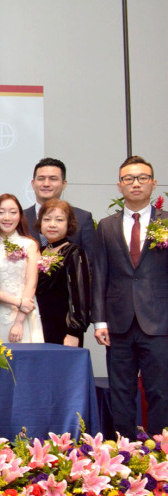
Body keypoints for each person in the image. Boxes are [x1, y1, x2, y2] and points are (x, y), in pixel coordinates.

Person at [94, 155, 168, 436]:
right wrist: (100, 321)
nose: (136, 183)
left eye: (142, 178)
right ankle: (124, 450)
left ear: (153, 183)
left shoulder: (166, 222)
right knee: (121, 391)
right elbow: (99, 274)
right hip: (118, 322)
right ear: (119, 185)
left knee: (160, 390)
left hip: (160, 321)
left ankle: (161, 450)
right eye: (129, 179)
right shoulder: (107, 226)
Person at [0, 194, 44, 343]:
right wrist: (17, 301)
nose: (7, 218)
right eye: (1, 212)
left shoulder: (30, 244)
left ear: (20, 215)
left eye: (13, 212)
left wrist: (19, 321)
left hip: (24, 313)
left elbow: (31, 283)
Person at [34, 199, 91, 347]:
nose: (52, 224)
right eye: (47, 219)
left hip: (64, 331)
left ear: (68, 224)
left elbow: (81, 295)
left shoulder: (74, 252)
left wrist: (74, 332)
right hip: (40, 327)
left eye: (59, 220)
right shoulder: (40, 251)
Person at [24, 157, 95, 259]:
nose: (46, 184)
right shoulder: (20, 218)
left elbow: (90, 261)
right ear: (33, 183)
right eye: (41, 178)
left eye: (53, 179)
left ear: (64, 184)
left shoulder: (82, 218)